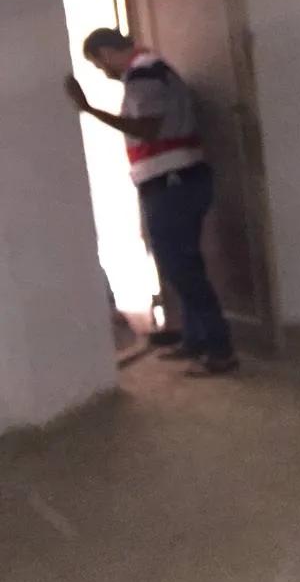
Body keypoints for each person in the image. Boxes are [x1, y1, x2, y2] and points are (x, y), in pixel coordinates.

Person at [65, 29, 238, 376]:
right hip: (178, 180)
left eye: (99, 64)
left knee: (182, 268)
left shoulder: (143, 71)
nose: (103, 72)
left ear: (105, 52)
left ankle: (220, 351)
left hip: (173, 183)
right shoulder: (150, 68)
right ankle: (196, 340)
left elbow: (147, 129)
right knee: (182, 265)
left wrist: (89, 110)